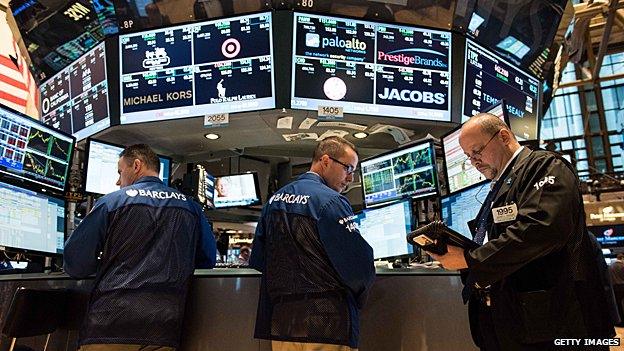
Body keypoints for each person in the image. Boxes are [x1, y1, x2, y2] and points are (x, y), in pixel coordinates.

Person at [429, 113, 616, 350]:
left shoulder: (545, 166)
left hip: (557, 321)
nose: (474, 161)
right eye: (468, 156)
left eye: (477, 151)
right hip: (517, 321)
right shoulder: (499, 186)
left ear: (504, 136)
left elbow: (541, 229)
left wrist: (469, 258)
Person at [64, 144, 217, 351]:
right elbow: (207, 261)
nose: (118, 181)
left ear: (136, 165)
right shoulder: (191, 208)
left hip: (110, 324)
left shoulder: (111, 202)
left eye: (120, 172)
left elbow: (76, 264)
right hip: (164, 328)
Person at [250, 136, 375, 351]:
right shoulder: (330, 201)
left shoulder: (274, 201)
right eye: (348, 169)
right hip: (327, 324)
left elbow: (261, 261)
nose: (351, 178)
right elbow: (359, 267)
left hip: (283, 324)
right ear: (325, 161)